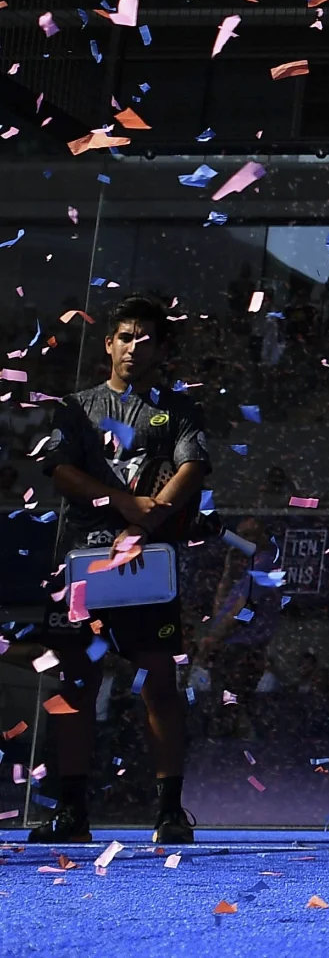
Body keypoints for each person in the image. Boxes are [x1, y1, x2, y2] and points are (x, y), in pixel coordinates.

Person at [22, 296, 207, 844]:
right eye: (125, 337)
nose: (133, 347)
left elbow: (192, 466)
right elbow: (57, 470)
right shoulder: (74, 407)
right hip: (83, 563)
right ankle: (73, 811)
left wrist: (146, 523)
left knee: (159, 683)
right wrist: (123, 504)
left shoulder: (178, 409)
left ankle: (170, 810)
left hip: (147, 565)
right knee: (74, 682)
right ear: (109, 344)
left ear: (162, 348)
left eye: (145, 339)